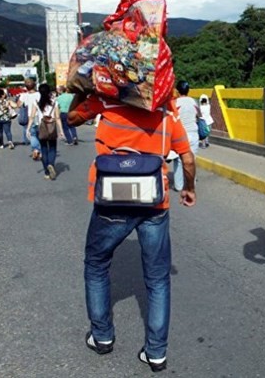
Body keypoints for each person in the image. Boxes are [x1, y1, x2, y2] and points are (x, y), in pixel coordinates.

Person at [68, 92, 196, 373]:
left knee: (96, 265)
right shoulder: (165, 113)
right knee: (158, 279)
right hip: (154, 204)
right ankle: (156, 353)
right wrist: (189, 188)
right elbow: (186, 158)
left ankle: (102, 336)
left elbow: (72, 117)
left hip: (111, 203)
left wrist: (84, 88)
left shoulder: (105, 102)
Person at [28, 84, 65, 180]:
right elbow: (57, 117)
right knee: (52, 148)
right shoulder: (54, 102)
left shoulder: (36, 103)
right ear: (49, 92)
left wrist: (28, 129)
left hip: (41, 128)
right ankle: (51, 164)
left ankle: (47, 173)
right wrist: (61, 130)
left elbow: (32, 117)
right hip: (52, 128)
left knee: (44, 150)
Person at [172, 80, 200, 191]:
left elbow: (171, 117)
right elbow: (200, 116)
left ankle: (179, 185)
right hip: (194, 133)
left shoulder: (175, 103)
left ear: (177, 91)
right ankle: (191, 184)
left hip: (181, 134)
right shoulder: (194, 102)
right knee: (192, 159)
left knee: (179, 160)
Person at [17, 78, 41, 159]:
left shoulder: (23, 95)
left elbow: (19, 105)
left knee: (33, 135)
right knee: (40, 135)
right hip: (40, 117)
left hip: (30, 117)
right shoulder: (39, 94)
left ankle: (35, 149)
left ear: (26, 87)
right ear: (34, 85)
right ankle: (39, 150)